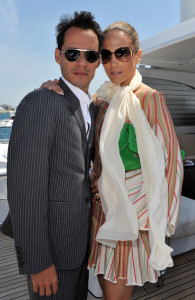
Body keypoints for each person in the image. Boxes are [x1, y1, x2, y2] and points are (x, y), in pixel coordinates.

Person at [40, 21, 183, 300]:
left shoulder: (151, 99)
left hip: (133, 219)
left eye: (122, 53)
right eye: (105, 55)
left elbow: (172, 164)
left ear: (137, 56)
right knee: (107, 289)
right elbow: (93, 152)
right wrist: (50, 86)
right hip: (102, 214)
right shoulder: (102, 100)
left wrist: (160, 223)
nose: (113, 62)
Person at [1, 11, 101, 300]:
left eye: (91, 55)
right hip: (52, 256)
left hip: (80, 247)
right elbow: (24, 191)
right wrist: (38, 262)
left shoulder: (90, 109)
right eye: (72, 53)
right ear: (58, 56)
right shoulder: (40, 102)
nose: (82, 62)